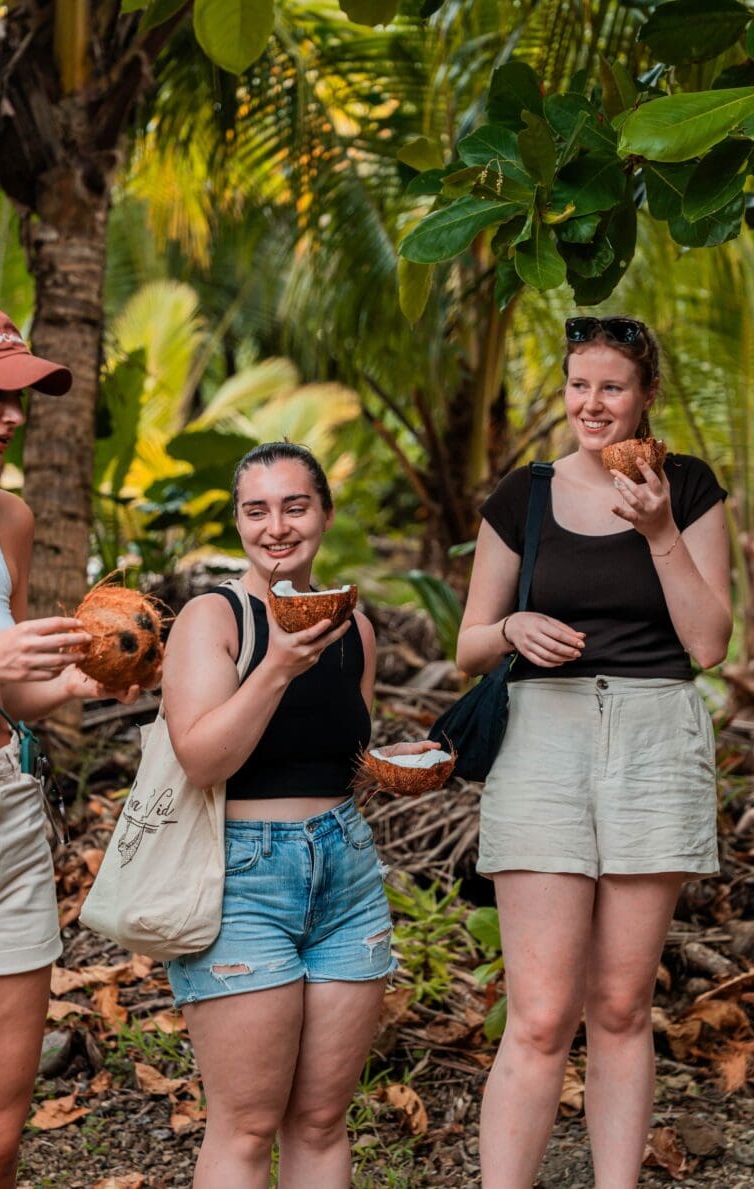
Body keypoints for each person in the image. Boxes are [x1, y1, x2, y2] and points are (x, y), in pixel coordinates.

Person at [457, 315, 732, 1189]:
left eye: (611, 386)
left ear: (645, 394)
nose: (592, 403)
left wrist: (658, 532)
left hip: (653, 738)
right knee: (539, 1014)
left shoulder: (687, 487)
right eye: (579, 384)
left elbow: (712, 643)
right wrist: (510, 625)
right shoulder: (523, 495)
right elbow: (468, 641)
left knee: (621, 1005)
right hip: (544, 739)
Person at [161, 441, 434, 1188]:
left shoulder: (357, 631)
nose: (276, 526)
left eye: (294, 506)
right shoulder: (214, 617)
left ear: (324, 514)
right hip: (242, 875)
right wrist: (279, 663)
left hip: (345, 873)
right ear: (239, 520)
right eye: (257, 509)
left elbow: (334, 757)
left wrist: (392, 767)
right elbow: (201, 758)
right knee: (247, 1126)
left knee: (319, 1120)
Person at [0, 306, 144, 1186]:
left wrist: (73, 684)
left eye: (19, 398)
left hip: (5, 801)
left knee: (1, 1129)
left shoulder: (7, 516)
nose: (11, 416)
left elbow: (5, 687)